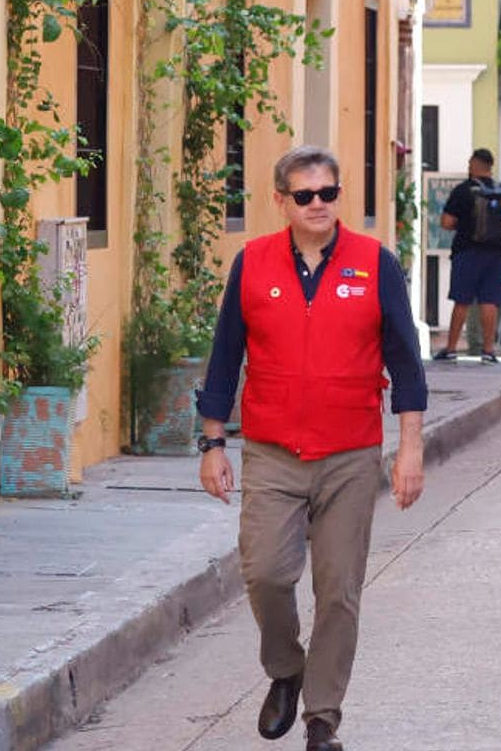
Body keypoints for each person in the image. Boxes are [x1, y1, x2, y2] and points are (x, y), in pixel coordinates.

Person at [196, 146, 428, 751]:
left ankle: (322, 716)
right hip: (273, 450)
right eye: (305, 196)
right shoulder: (252, 264)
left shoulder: (376, 264)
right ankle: (286, 669)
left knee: (339, 589)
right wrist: (212, 442)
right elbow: (225, 358)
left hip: (350, 452)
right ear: (282, 202)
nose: (319, 204)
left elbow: (406, 362)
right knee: (266, 573)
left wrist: (410, 449)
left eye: (329, 193)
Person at [437, 149, 501, 363]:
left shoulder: (464, 190)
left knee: (462, 300)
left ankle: (451, 348)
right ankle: (488, 350)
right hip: (497, 254)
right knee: (490, 302)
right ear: (491, 166)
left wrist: (465, 225)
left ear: (474, 164)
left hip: (467, 252)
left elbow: (446, 222)